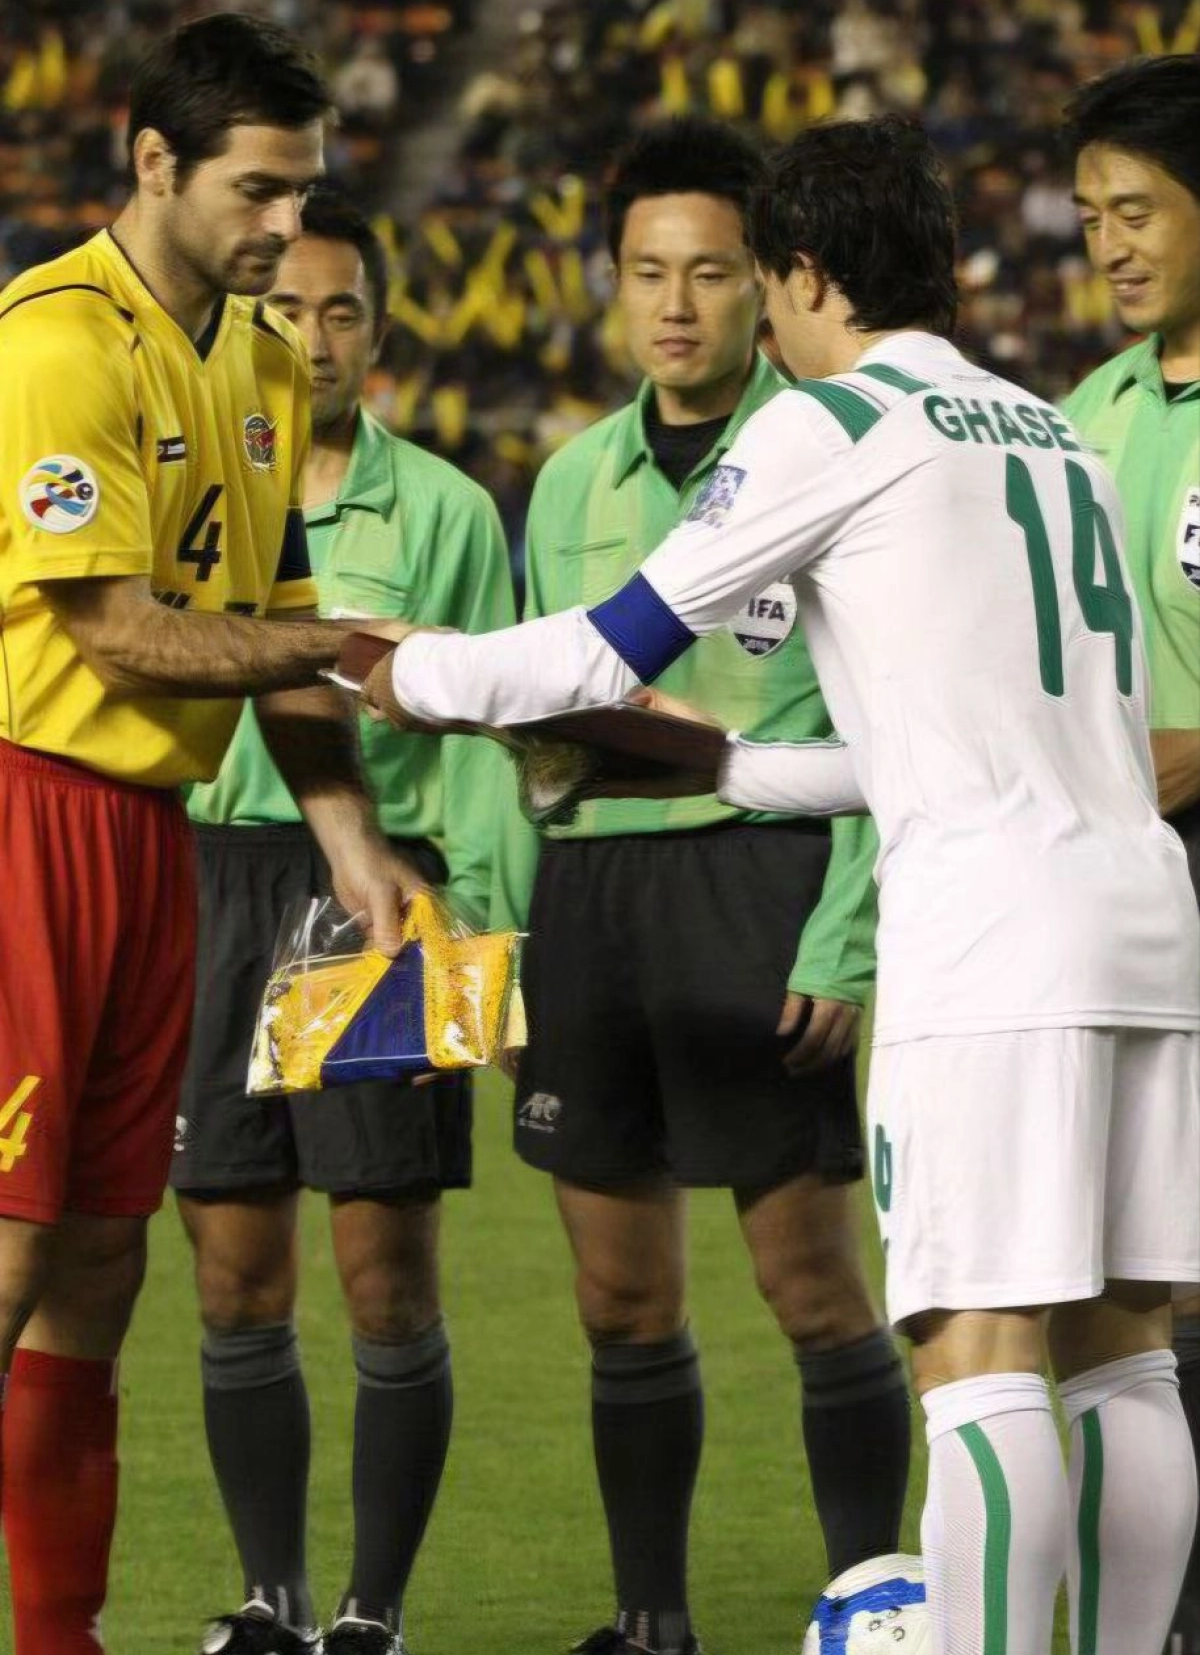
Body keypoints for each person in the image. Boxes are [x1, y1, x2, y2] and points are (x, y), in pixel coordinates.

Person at [360, 115, 1200, 1655]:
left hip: (991, 945)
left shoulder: (831, 423)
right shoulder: (1055, 436)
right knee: (1124, 1350)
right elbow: (975, 745)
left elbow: (604, 645)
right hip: (1140, 918)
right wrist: (734, 770)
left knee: (979, 1354)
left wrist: (395, 670)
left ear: (803, 276)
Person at [0, 16, 415, 1655]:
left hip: (146, 833)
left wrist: (351, 839)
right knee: (13, 1242)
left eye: (304, 190)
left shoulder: (257, 360)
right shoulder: (55, 341)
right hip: (24, 808)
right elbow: (119, 633)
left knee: (104, 1257)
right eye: (257, 190)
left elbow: (270, 620)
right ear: (154, 162)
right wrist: (345, 647)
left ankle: (61, 1637)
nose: (285, 228)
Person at [486, 115, 915, 1655]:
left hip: (764, 879)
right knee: (619, 1299)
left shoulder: (826, 458)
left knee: (811, 1286)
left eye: (712, 273)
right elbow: (533, 742)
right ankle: (650, 1622)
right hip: (592, 902)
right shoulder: (568, 480)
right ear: (613, 284)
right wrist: (511, 939)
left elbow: (886, 723)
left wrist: (844, 937)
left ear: (767, 283)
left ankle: (874, 1604)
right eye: (648, 273)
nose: (676, 305)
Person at [174, 189, 515, 1655]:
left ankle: (374, 1613)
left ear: (378, 330)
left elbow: (493, 740)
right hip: (204, 883)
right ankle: (272, 1599)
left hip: (376, 893)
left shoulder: (442, 510)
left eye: (341, 310)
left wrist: (487, 937)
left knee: (385, 1277)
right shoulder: (189, 488)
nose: (312, 339)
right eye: (284, 310)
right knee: (233, 1271)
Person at [1061, 54, 1200, 1654]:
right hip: (1121, 884)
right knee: (1141, 1274)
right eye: (1091, 215)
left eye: (1139, 210)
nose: (1108, 244)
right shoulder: (1086, 419)